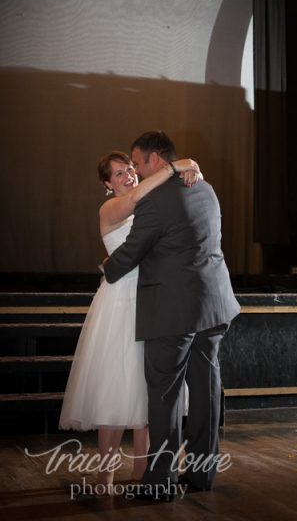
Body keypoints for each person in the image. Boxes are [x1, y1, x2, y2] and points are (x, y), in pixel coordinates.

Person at [103, 130, 240, 499]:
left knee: (164, 397)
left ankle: (160, 482)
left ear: (155, 160)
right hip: (213, 305)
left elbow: (133, 250)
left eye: (137, 162)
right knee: (207, 393)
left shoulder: (156, 200)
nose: (136, 169)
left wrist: (107, 270)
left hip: (172, 312)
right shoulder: (205, 188)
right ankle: (201, 477)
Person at [59, 149, 201, 489]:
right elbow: (140, 194)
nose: (129, 176)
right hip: (120, 300)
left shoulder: (148, 204)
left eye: (129, 170)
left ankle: (142, 470)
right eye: (119, 173)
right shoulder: (109, 208)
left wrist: (192, 167)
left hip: (150, 299)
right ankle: (105, 473)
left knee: (145, 387)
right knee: (114, 385)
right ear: (108, 183)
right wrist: (174, 166)